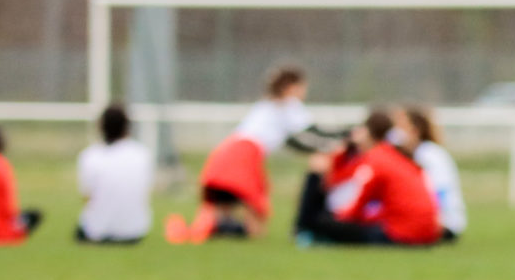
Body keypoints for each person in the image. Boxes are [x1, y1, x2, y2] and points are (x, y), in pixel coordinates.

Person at [171, 65, 326, 242]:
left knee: (222, 205)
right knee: (254, 207)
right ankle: (224, 230)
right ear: (290, 87)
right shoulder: (289, 106)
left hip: (226, 152)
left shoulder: (265, 106)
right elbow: (306, 135)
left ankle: (215, 229)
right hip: (245, 155)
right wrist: (336, 142)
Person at [293, 108, 443, 247]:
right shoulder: (393, 156)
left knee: (325, 222)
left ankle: (307, 232)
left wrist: (339, 219)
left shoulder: (377, 159)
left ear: (369, 133)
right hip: (424, 231)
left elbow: (359, 202)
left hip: (402, 232)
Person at [75, 104, 154, 244]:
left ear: (101, 127)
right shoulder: (142, 154)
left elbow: (87, 197)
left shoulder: (89, 156)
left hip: (96, 232)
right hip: (135, 231)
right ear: (127, 127)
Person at [399, 106, 467, 242]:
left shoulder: (430, 155)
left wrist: (434, 222)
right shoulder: (417, 154)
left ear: (414, 130)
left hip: (444, 224)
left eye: (401, 126)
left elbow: (440, 191)